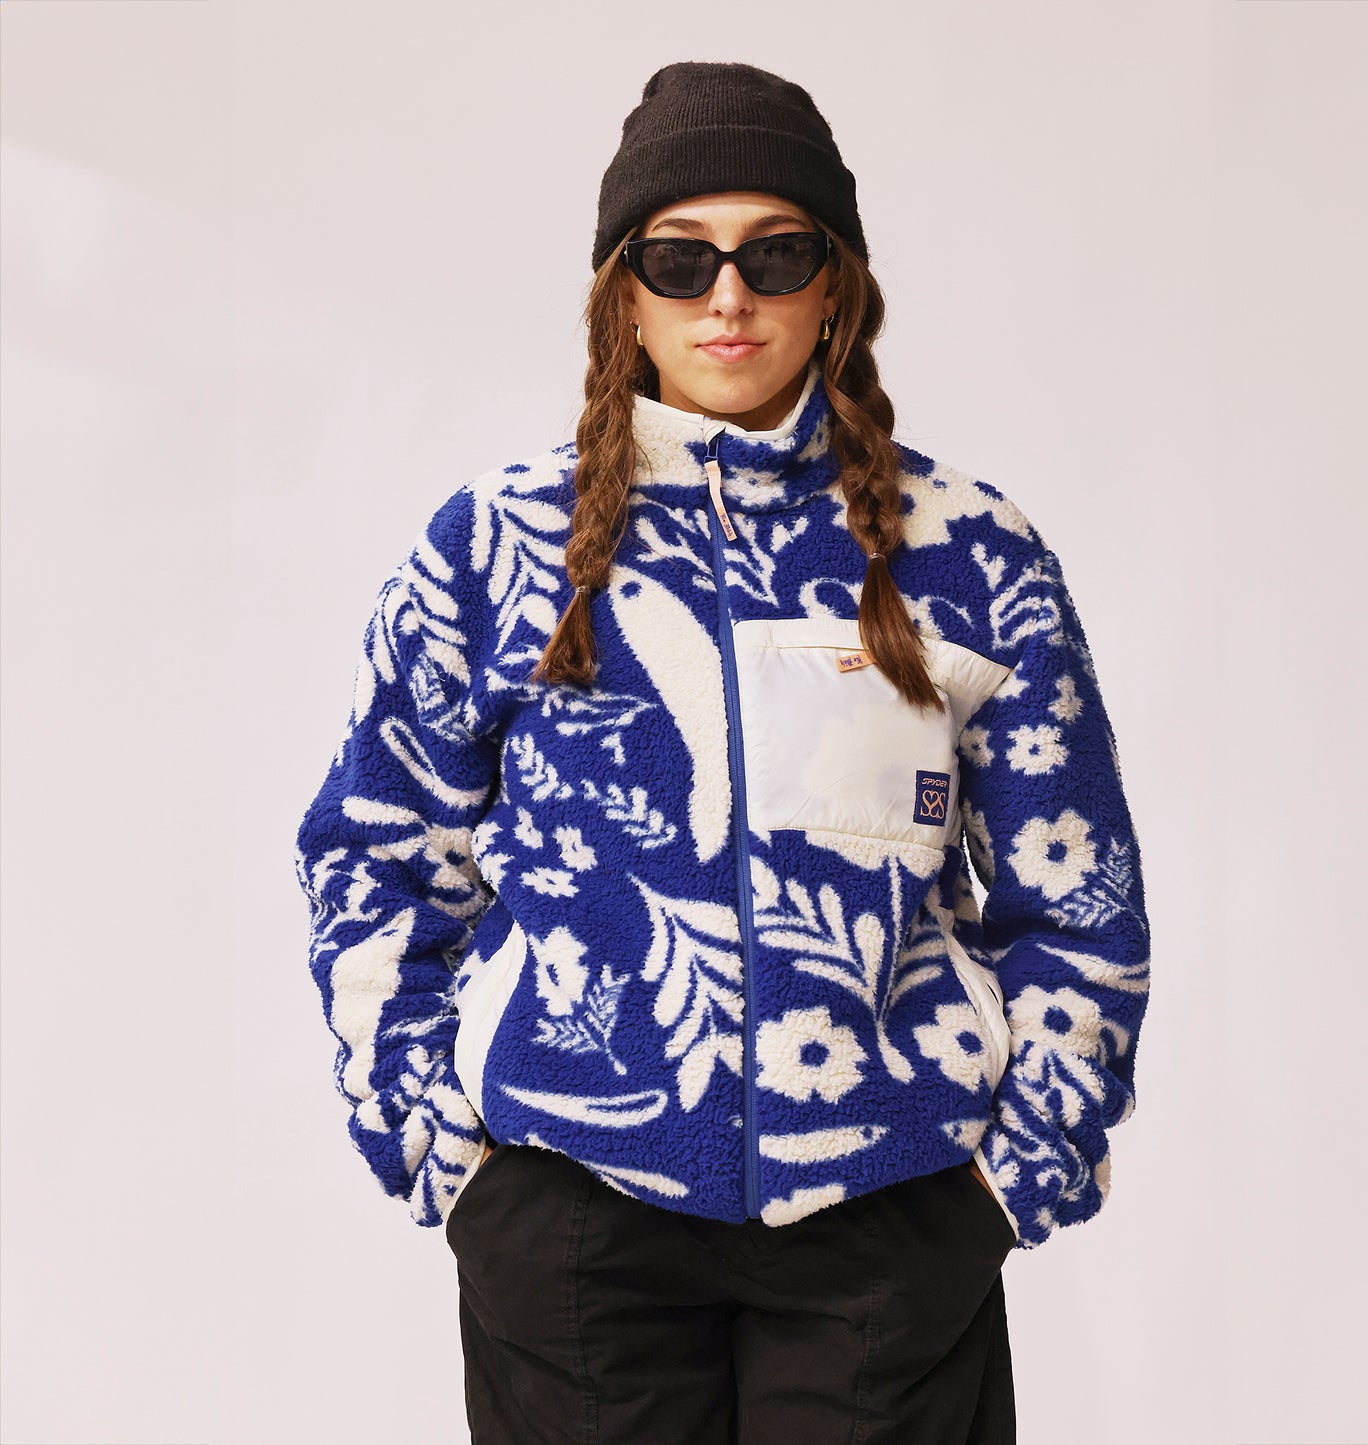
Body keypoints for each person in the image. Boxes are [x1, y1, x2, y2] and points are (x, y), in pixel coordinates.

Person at [293, 59, 1152, 1445]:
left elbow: (1079, 893)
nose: (729, 297)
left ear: (837, 287)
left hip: (889, 1225)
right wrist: (444, 1157)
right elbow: (373, 850)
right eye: (681, 259)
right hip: (574, 1227)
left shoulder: (970, 553)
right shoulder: (492, 548)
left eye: (777, 253)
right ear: (624, 295)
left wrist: (1016, 1174)